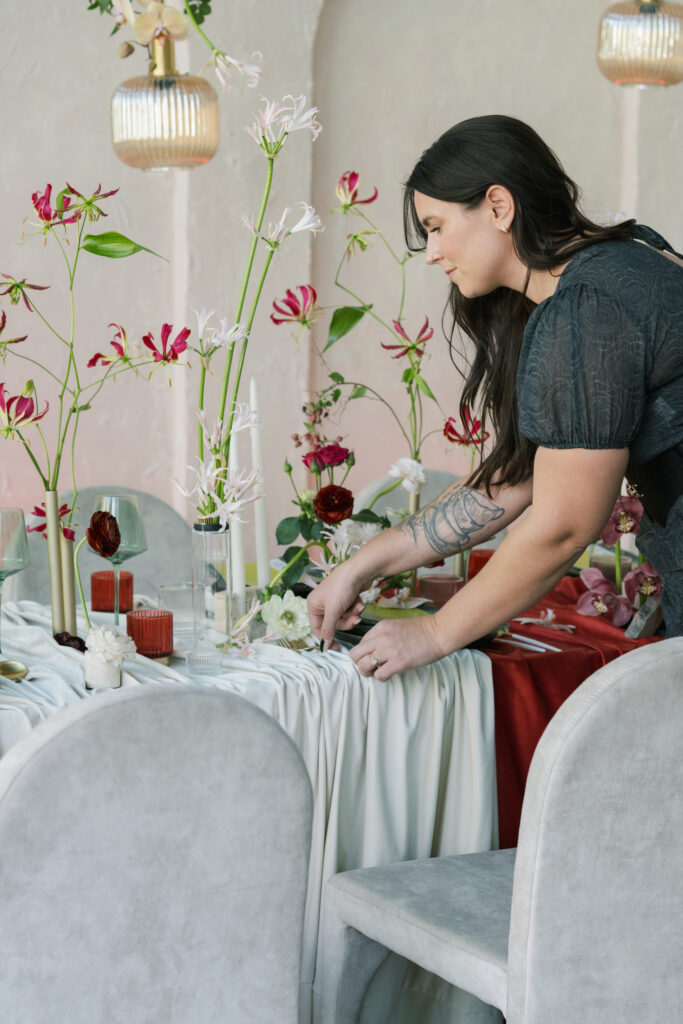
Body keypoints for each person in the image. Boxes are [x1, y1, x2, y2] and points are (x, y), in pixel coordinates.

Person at [307, 115, 683, 679]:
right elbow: (524, 474)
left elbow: (563, 525)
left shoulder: (587, 309)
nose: (430, 253)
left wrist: (435, 631)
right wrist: (362, 565)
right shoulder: (625, 257)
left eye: (435, 226)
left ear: (499, 207)